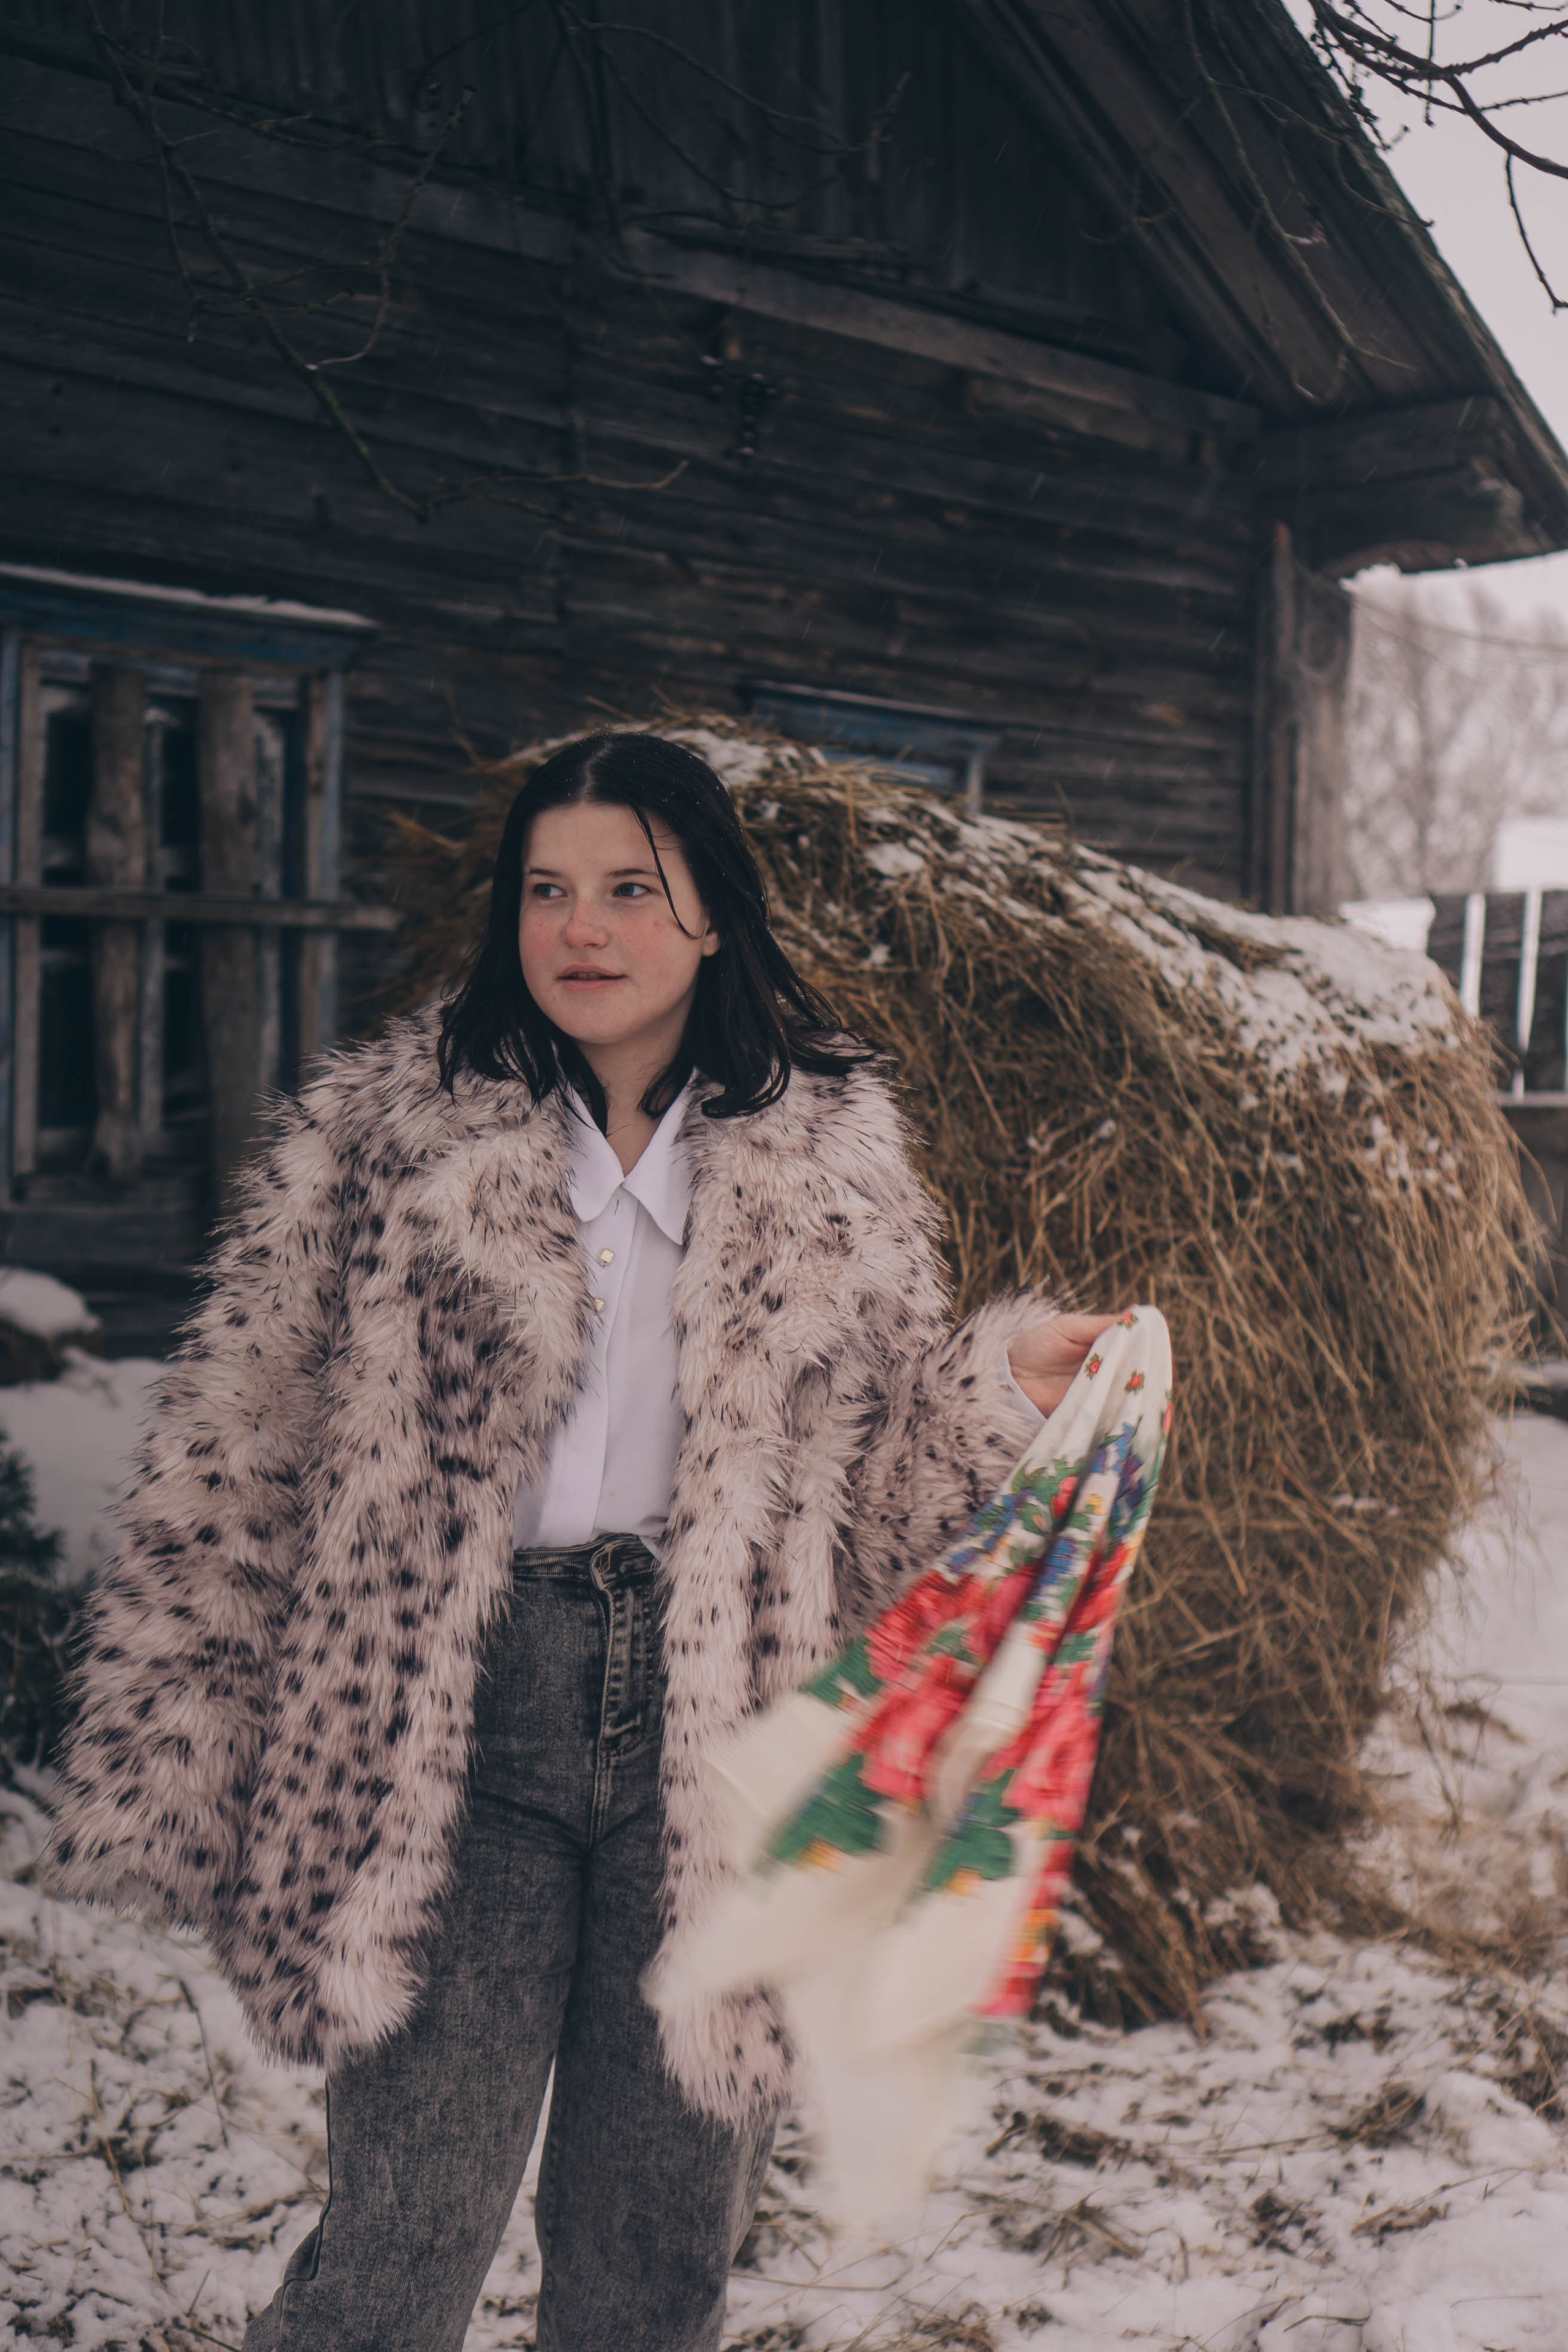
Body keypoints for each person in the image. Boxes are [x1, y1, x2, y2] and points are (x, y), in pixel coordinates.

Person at [46, 731, 1112, 2352]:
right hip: (453, 1724)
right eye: (547, 890)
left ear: (710, 917)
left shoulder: (833, 1166)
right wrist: (184, 1742)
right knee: (402, 2241)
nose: (581, 930)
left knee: (654, 2260)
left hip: (724, 1749)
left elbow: (876, 1502)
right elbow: (239, 1443)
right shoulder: (393, 1138)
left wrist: (999, 1386)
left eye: (629, 889)